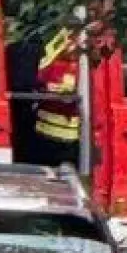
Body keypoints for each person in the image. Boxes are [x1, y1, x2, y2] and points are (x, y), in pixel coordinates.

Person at [32, 27, 82, 166]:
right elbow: (40, 78)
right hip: (45, 134)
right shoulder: (52, 65)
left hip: (70, 138)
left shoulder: (82, 68)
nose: (72, 47)